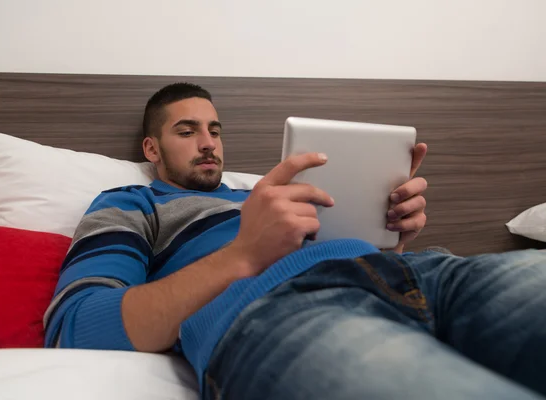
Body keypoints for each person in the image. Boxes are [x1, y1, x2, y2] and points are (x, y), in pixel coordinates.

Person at [44, 83, 546, 400]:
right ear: (152, 147)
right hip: (274, 311)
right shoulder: (129, 202)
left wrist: (386, 232)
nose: (208, 142)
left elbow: (336, 251)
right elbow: (75, 328)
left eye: (215, 130)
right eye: (187, 130)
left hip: (425, 275)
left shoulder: (266, 195)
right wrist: (243, 253)